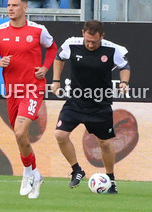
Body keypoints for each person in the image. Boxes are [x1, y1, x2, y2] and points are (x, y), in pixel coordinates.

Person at [0, 0, 58, 198]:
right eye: (9, 5)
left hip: (33, 88)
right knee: (20, 136)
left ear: (25, 8)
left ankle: (27, 173)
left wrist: (45, 68)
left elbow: (52, 48)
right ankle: (35, 173)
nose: (10, 8)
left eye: (15, 5)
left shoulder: (38, 30)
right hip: (12, 91)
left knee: (19, 132)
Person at [52, 20, 130, 194]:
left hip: (100, 105)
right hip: (75, 102)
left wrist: (124, 82)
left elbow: (125, 66)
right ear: (83, 33)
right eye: (87, 40)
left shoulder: (112, 49)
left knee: (104, 143)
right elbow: (59, 57)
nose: (90, 44)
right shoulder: (72, 44)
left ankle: (111, 179)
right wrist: (56, 80)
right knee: (60, 135)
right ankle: (76, 170)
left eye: (94, 42)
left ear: (102, 36)